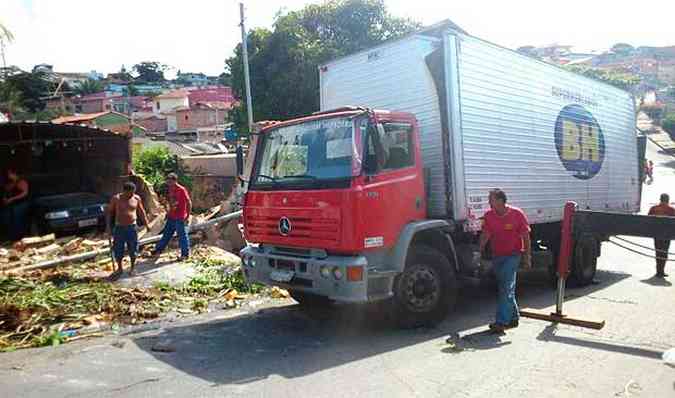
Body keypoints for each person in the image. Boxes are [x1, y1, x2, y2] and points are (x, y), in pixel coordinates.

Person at [479, 188, 531, 333]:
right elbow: (485, 235)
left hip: (513, 255)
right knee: (505, 287)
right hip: (498, 256)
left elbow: (526, 236)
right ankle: (513, 317)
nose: (489, 202)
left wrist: (527, 257)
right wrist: (479, 252)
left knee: (506, 287)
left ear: (501, 200)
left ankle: (501, 322)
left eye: (491, 199)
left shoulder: (516, 214)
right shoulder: (489, 216)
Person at [107, 182, 149, 277]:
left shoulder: (136, 198)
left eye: (133, 192)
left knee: (133, 248)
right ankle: (120, 268)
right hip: (119, 228)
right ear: (125, 191)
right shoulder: (116, 199)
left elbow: (141, 211)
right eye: (130, 192)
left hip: (132, 227)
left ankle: (133, 268)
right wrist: (109, 228)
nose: (132, 194)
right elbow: (110, 213)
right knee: (118, 249)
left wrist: (147, 224)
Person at [152, 173, 192, 260]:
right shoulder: (170, 189)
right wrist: (168, 212)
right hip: (172, 216)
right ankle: (158, 249)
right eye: (168, 182)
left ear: (175, 181)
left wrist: (187, 215)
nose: (169, 183)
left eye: (170, 182)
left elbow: (188, 202)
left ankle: (185, 254)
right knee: (166, 234)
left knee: (182, 235)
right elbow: (171, 202)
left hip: (180, 217)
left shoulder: (181, 189)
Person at [648, 193, 675, 278]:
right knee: (664, 253)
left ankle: (658, 271)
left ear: (660, 199)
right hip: (667, 236)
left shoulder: (653, 208)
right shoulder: (671, 210)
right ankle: (661, 271)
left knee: (658, 252)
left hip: (656, 235)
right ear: (668, 200)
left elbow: (648, 220)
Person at [1, 168, 30, 241]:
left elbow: (25, 193)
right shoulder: (10, 182)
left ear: (14, 174)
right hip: (12, 204)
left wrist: (12, 199)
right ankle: (11, 237)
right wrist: (5, 198)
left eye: (9, 174)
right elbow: (6, 191)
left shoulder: (21, 181)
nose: (8, 175)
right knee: (7, 218)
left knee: (17, 218)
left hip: (21, 203)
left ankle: (20, 237)